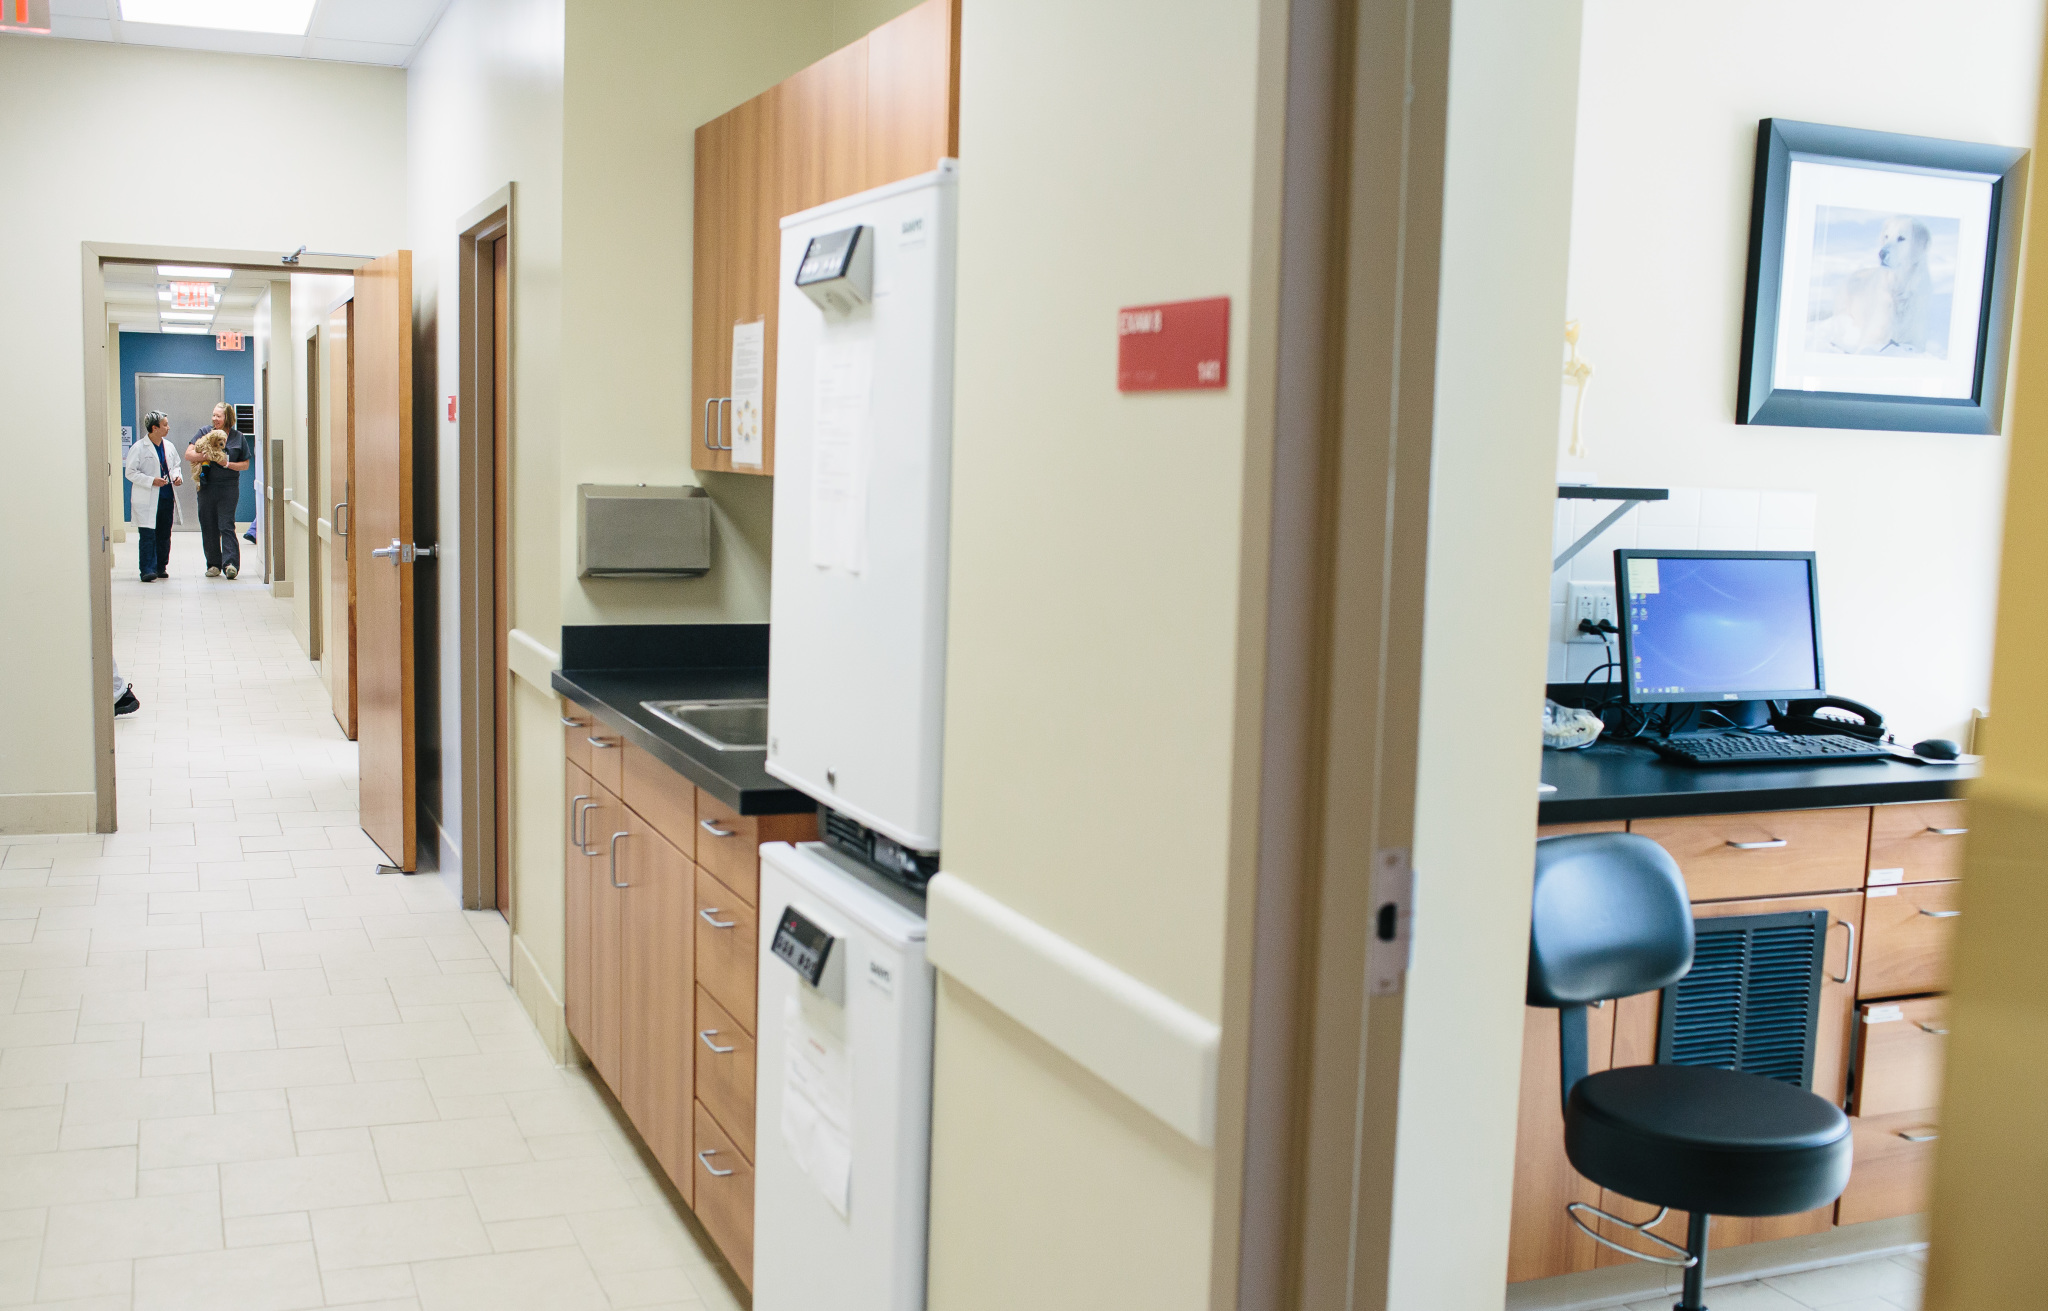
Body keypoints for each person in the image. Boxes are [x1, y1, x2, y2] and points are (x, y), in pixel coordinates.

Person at [186, 401, 249, 579]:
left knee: (226, 525)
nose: (214, 419)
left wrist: (227, 463)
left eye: (218, 416)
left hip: (228, 488)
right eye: (213, 415)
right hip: (206, 487)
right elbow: (188, 454)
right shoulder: (204, 432)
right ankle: (214, 564)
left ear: (227, 417)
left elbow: (245, 464)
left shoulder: (238, 437)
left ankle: (230, 564)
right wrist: (207, 456)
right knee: (209, 525)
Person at [123, 410, 183, 581]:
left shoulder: (169, 446)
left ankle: (161, 566)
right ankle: (147, 570)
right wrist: (151, 480)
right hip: (147, 498)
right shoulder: (139, 448)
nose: (168, 428)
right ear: (154, 428)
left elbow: (175, 465)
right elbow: (131, 473)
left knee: (164, 533)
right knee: (148, 534)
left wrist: (177, 476)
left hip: (165, 496)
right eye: (165, 425)